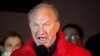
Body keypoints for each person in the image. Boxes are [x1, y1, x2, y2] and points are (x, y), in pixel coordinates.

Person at [11, 3, 91, 56]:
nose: (41, 32)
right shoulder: (16, 55)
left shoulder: (81, 54)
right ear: (30, 26)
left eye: (46, 24)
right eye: (36, 25)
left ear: (57, 26)